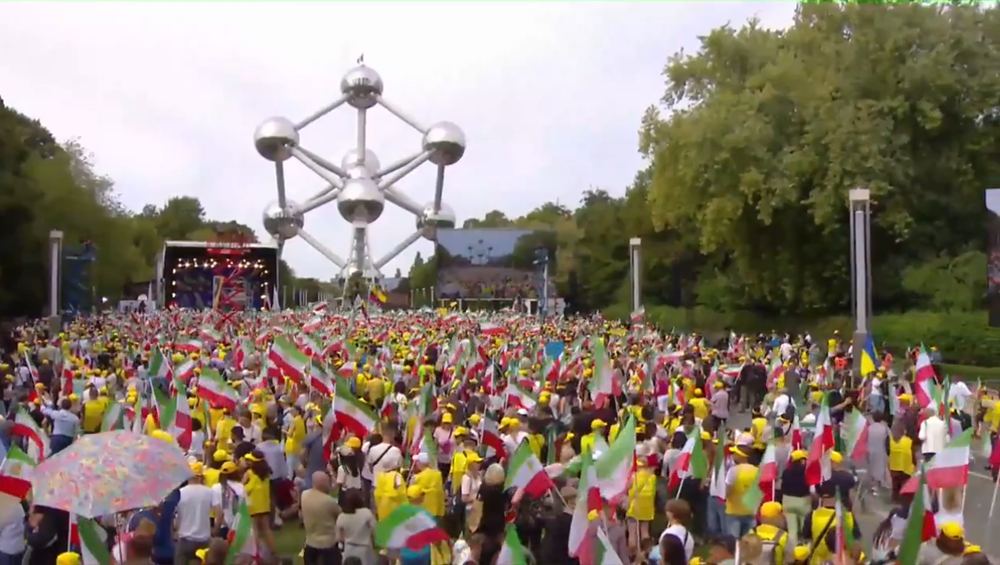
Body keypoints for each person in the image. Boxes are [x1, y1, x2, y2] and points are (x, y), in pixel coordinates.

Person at [175, 461, 214, 563]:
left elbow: (174, 517)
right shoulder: (209, 492)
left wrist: (174, 532)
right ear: (200, 477)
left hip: (184, 539)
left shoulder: (180, 493)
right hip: (204, 540)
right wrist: (215, 530)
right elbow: (220, 513)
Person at [301, 471, 342, 565]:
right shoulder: (329, 502)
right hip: (328, 544)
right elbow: (340, 516)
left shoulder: (304, 495)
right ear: (324, 484)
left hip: (310, 542)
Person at [335, 490, 376, 565]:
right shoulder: (366, 513)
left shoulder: (341, 517)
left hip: (348, 550)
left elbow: (338, 538)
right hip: (365, 550)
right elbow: (375, 531)